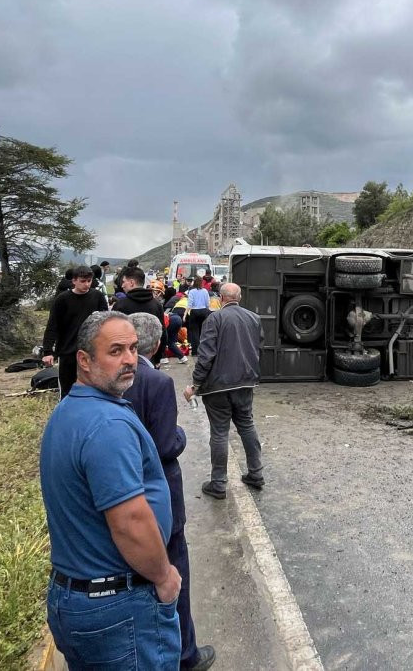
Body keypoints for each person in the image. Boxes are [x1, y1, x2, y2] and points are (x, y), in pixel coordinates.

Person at [40, 311, 182, 669]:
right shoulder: (107, 425)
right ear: (84, 360)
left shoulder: (70, 411)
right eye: (116, 351)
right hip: (117, 609)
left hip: (78, 597)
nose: (130, 359)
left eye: (133, 349)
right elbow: (130, 521)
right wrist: (164, 576)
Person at [125, 314, 215, 671]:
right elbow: (165, 444)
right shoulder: (156, 382)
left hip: (126, 491)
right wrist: (181, 435)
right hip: (159, 492)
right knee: (174, 571)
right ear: (159, 342)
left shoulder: (104, 378)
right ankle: (184, 653)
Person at [183, 282, 265, 499]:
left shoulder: (215, 319)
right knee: (247, 425)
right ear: (240, 297)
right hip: (245, 382)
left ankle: (218, 483)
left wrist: (195, 385)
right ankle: (256, 473)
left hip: (218, 386)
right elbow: (258, 346)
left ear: (220, 298)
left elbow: (206, 354)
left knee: (219, 433)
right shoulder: (254, 319)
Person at [42, 265, 109, 399]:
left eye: (89, 281)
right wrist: (48, 351)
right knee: (67, 390)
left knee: (93, 388)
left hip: (91, 351)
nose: (86, 284)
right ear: (74, 281)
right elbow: (52, 325)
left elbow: (106, 321)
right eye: (83, 281)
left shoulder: (98, 297)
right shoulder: (62, 299)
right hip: (67, 351)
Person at [113, 266, 166, 364]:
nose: (122, 285)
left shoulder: (120, 305)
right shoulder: (156, 304)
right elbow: (162, 334)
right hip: (150, 359)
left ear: (132, 282)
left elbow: (113, 335)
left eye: (124, 282)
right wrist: (158, 358)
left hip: (125, 360)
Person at [185, 276, 211, 357]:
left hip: (195, 311)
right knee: (203, 332)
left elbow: (190, 304)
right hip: (204, 311)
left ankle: (195, 351)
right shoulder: (205, 291)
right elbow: (208, 303)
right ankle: (204, 350)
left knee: (194, 332)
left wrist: (185, 314)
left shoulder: (192, 291)